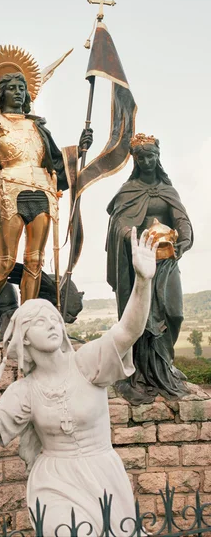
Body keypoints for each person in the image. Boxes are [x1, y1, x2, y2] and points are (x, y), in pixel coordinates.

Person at [0, 228, 157, 535]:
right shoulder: (26, 391)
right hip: (54, 481)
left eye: (54, 318)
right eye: (40, 322)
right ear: (24, 338)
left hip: (102, 473)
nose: (52, 324)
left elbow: (128, 331)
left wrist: (143, 282)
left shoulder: (86, 363)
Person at [0, 22, 93, 339]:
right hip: (11, 190)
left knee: (35, 262)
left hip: (42, 193)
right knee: (6, 262)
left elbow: (52, 160)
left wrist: (81, 146)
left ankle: (28, 320)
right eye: (12, 87)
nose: (19, 91)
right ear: (0, 92)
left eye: (23, 87)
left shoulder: (38, 127)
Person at [106, 133, 193, 404]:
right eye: (141, 157)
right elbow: (118, 224)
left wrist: (184, 240)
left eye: (151, 156)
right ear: (135, 160)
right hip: (140, 265)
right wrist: (132, 236)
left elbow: (182, 220)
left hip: (166, 262)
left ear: (158, 157)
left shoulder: (169, 190)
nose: (147, 161)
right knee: (142, 319)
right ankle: (144, 372)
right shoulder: (128, 191)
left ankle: (164, 365)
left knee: (174, 314)